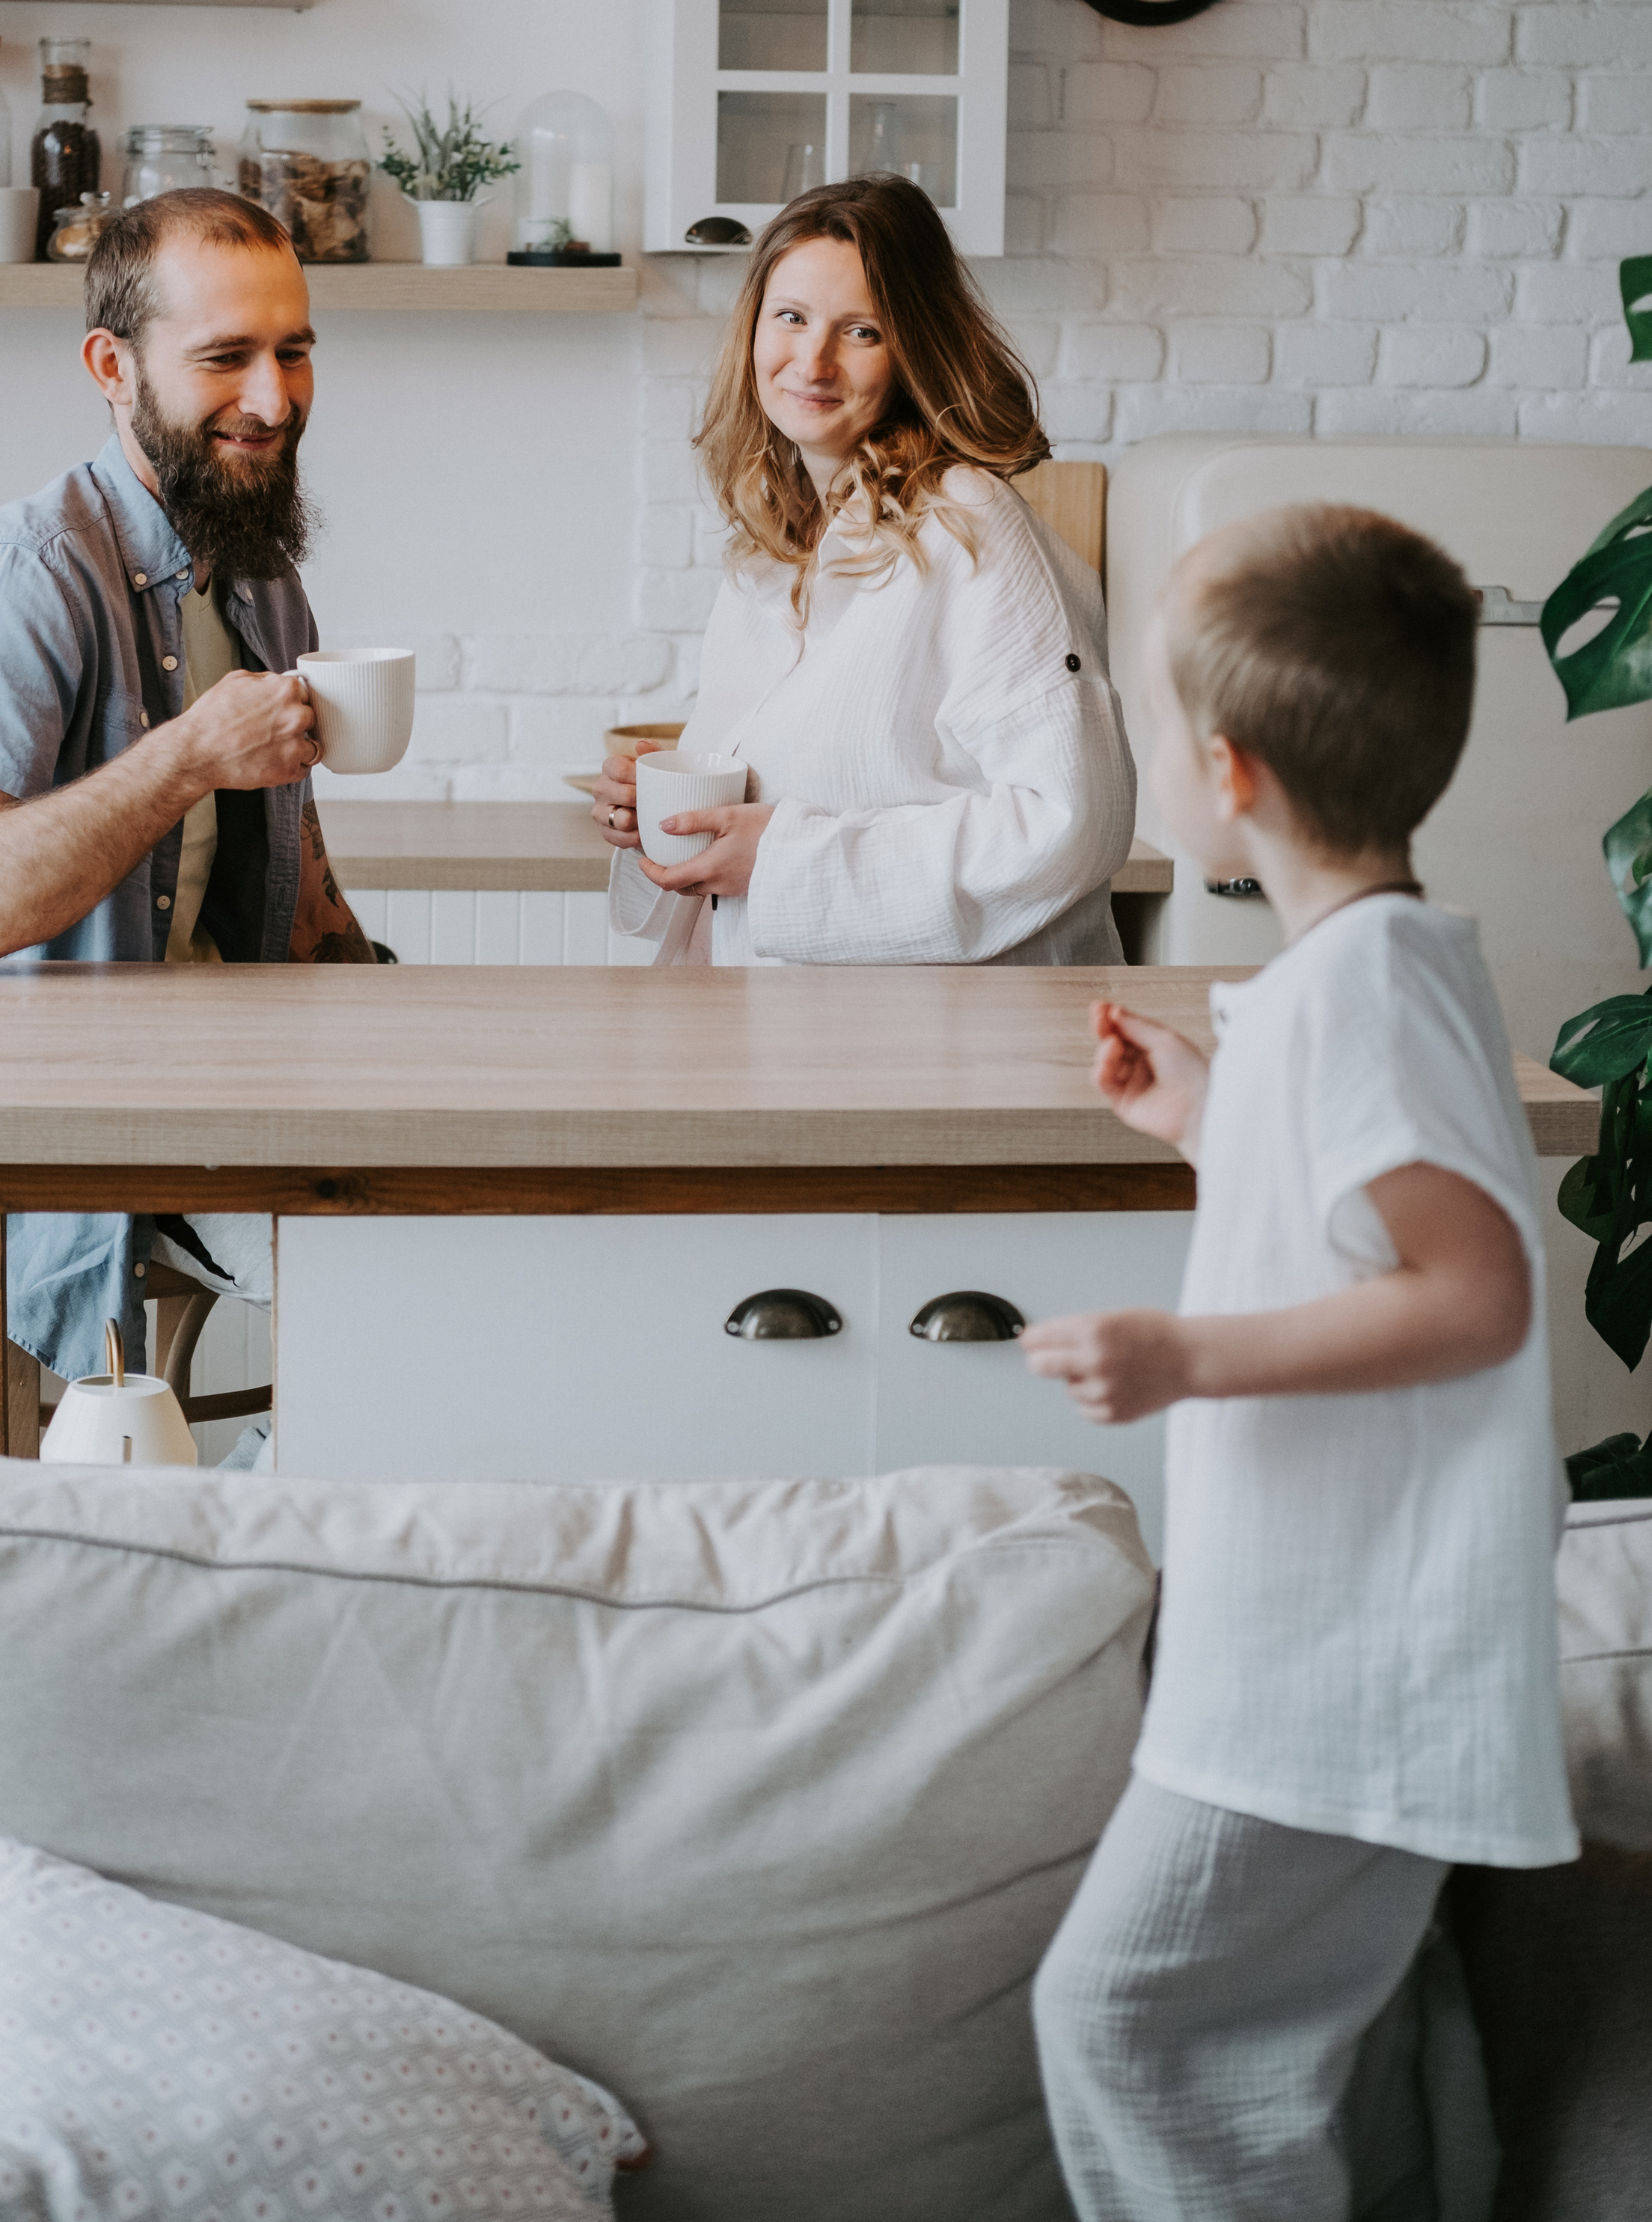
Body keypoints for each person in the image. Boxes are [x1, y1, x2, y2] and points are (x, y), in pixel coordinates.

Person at [1021, 502, 1576, 2222]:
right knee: (1298, 2042)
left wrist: (1186, 1351)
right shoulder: (1353, 968)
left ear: (1226, 773)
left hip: (1335, 1671)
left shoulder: (1360, 990)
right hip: (1323, 1654)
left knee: (1121, 2015)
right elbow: (1351, 1215)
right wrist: (1201, 1113)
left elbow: (1468, 1288)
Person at [0, 187, 380, 1392]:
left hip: (233, 1092)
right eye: (226, 358)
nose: (274, 401)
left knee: (490, 1239)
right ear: (112, 365)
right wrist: (187, 756)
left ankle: (275, 1529)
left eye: (294, 351)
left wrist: (402, 1023)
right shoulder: (23, 579)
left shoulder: (260, 577)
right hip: (62, 1126)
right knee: (404, 1282)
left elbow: (300, 888)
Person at [593, 176, 1135, 965]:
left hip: (932, 1042)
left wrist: (784, 861)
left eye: (861, 332)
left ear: (915, 347)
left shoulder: (967, 522)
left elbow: (1071, 818)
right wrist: (664, 813)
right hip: (772, 1022)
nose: (811, 360)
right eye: (791, 318)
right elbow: (801, 780)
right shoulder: (770, 543)